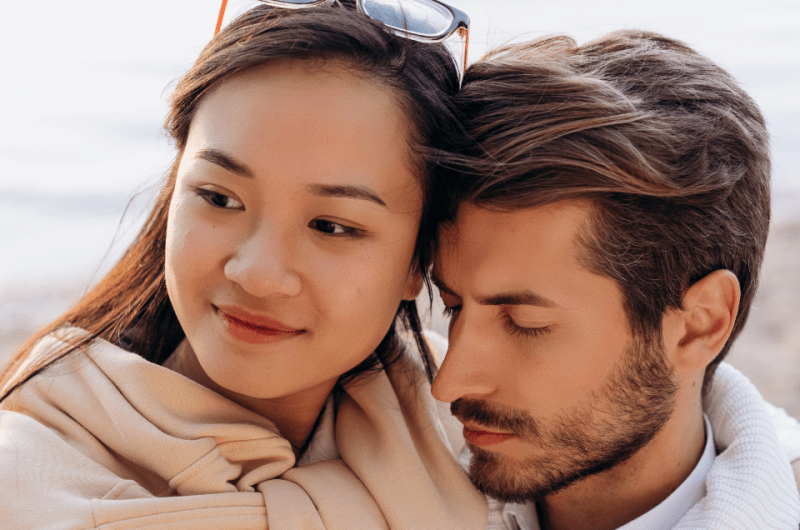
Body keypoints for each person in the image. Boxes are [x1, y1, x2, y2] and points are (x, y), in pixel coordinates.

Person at [0, 2, 489, 529]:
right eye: (218, 198)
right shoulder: (24, 484)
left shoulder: (466, 429)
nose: (256, 274)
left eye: (330, 227)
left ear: (420, 260)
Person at [430, 31, 800, 529]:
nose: (448, 381)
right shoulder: (389, 467)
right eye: (453, 307)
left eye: (525, 322)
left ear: (699, 325)